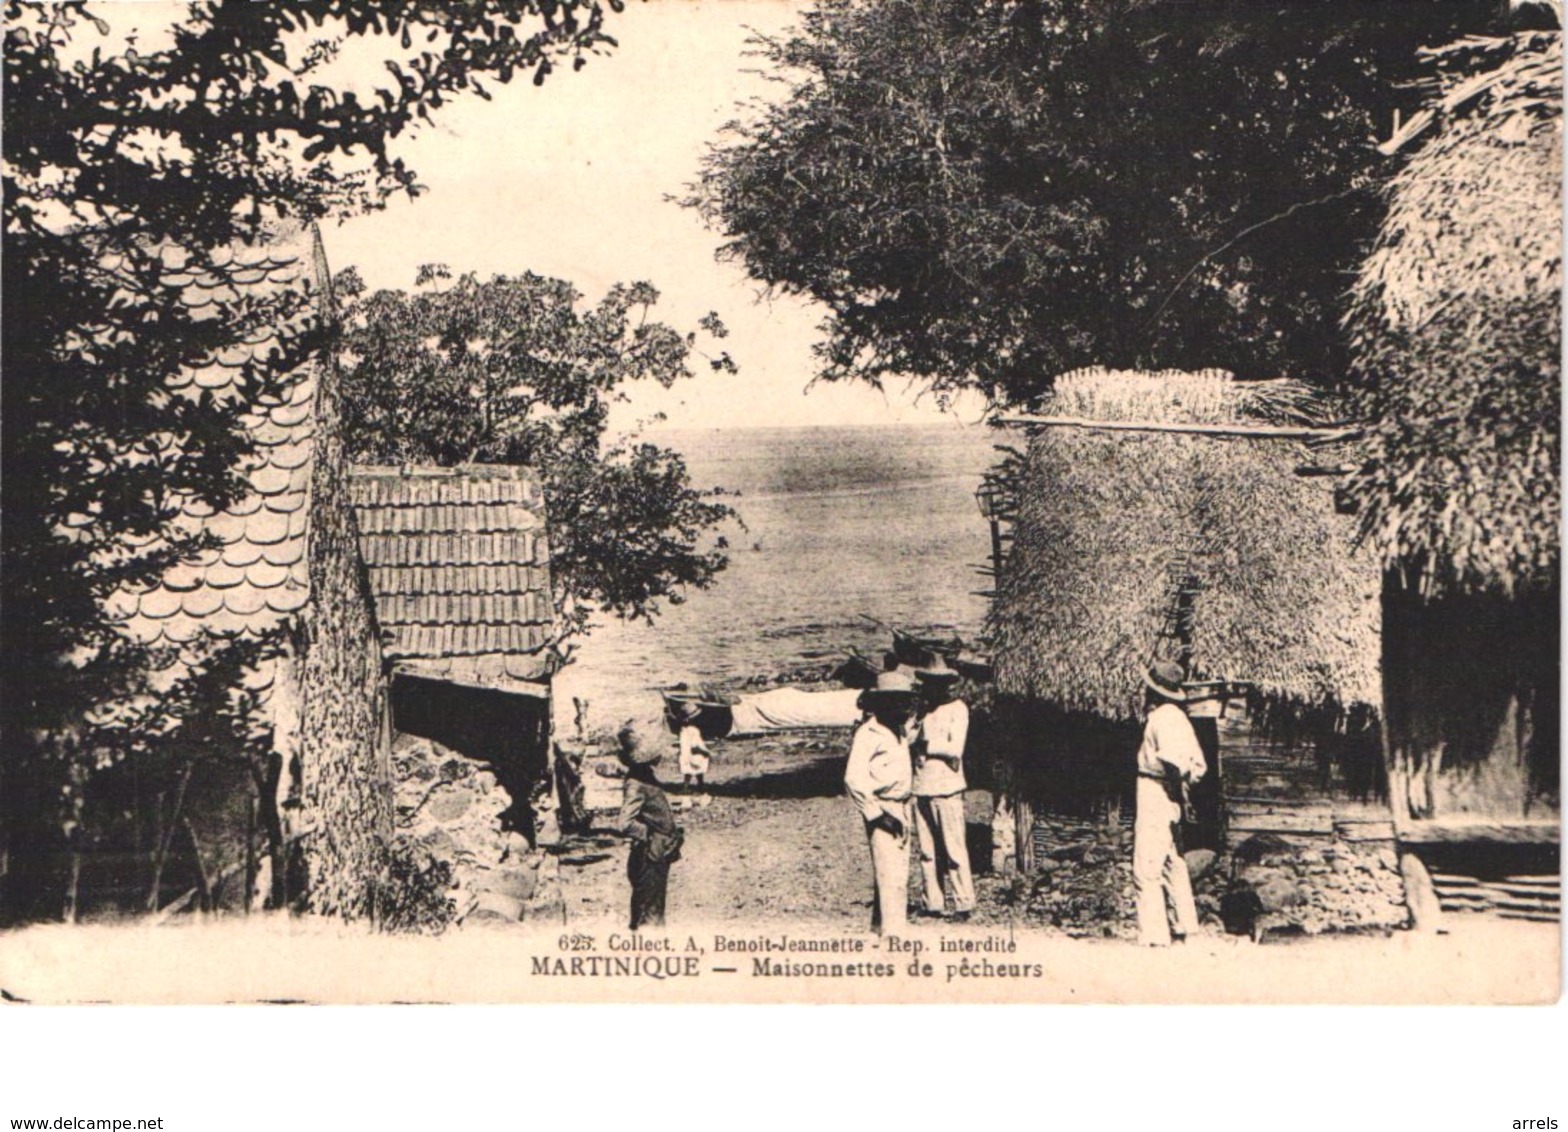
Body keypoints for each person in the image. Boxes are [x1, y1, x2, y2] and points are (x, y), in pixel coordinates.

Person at [1134, 661, 1208, 946]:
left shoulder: (1163, 718)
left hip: (1157, 789)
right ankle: (1185, 928)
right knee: (1172, 863)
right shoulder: (1176, 717)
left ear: (1155, 691)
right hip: (1167, 791)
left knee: (1146, 867)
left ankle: (1154, 937)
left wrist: (1181, 796)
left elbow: (1172, 762)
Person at [844, 670, 919, 934]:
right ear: (883, 703)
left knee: (898, 872)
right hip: (883, 807)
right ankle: (894, 935)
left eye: (906, 701)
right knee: (891, 876)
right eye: (898, 701)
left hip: (902, 805)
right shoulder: (869, 733)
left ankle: (880, 930)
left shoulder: (897, 730)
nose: (905, 707)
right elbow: (854, 778)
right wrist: (876, 815)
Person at [911, 656, 975, 921]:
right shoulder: (921, 712)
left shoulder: (957, 709)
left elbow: (955, 749)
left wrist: (926, 745)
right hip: (920, 785)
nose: (930, 688)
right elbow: (907, 740)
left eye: (936, 683)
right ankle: (933, 902)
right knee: (927, 851)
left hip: (946, 786)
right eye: (927, 683)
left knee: (954, 848)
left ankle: (963, 902)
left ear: (946, 684)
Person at [616, 724, 682, 930]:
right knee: (650, 910)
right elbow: (624, 823)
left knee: (651, 902)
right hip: (651, 851)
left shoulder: (644, 775)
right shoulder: (636, 784)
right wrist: (651, 834)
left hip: (658, 848)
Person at [673, 701, 713, 802]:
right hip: (695, 754)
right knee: (698, 768)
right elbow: (696, 744)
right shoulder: (694, 730)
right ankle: (700, 785)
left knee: (688, 772)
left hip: (686, 754)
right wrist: (706, 751)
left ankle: (687, 786)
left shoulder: (683, 730)